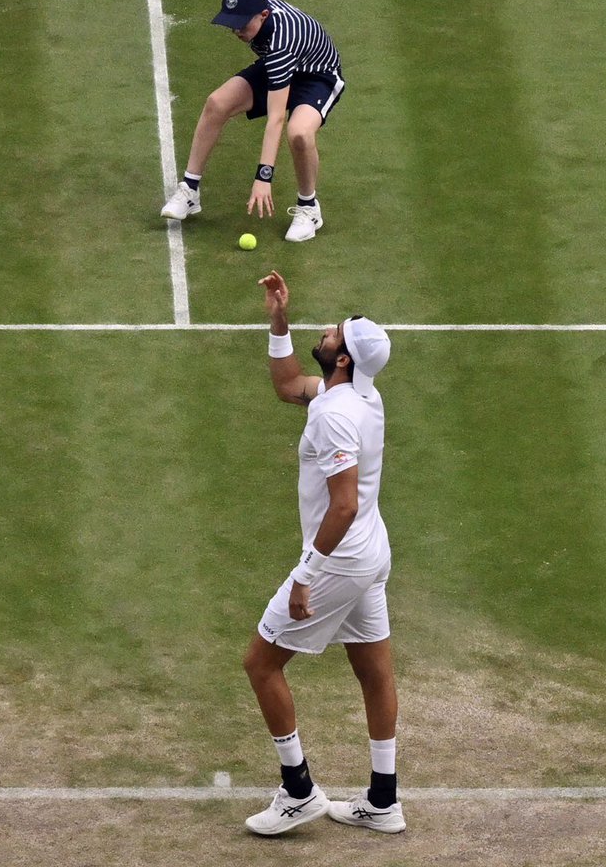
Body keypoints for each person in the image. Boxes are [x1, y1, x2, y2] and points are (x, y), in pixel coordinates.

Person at [242, 270, 405, 837]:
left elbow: (340, 507)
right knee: (373, 669)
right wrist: (278, 322)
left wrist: (306, 575)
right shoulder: (356, 393)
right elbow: (289, 386)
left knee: (261, 664)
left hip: (340, 558)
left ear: (341, 361)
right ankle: (383, 801)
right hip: (371, 553)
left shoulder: (336, 414)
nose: (329, 330)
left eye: (335, 333)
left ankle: (299, 791)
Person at [160, 0, 344, 243]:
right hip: (279, 64)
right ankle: (189, 190)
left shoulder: (282, 41)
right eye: (232, 23)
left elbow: (276, 117)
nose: (236, 30)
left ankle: (309, 208)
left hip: (316, 77)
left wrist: (263, 177)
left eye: (243, 25)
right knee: (217, 103)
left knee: (299, 133)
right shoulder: (258, 8)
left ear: (264, 15)